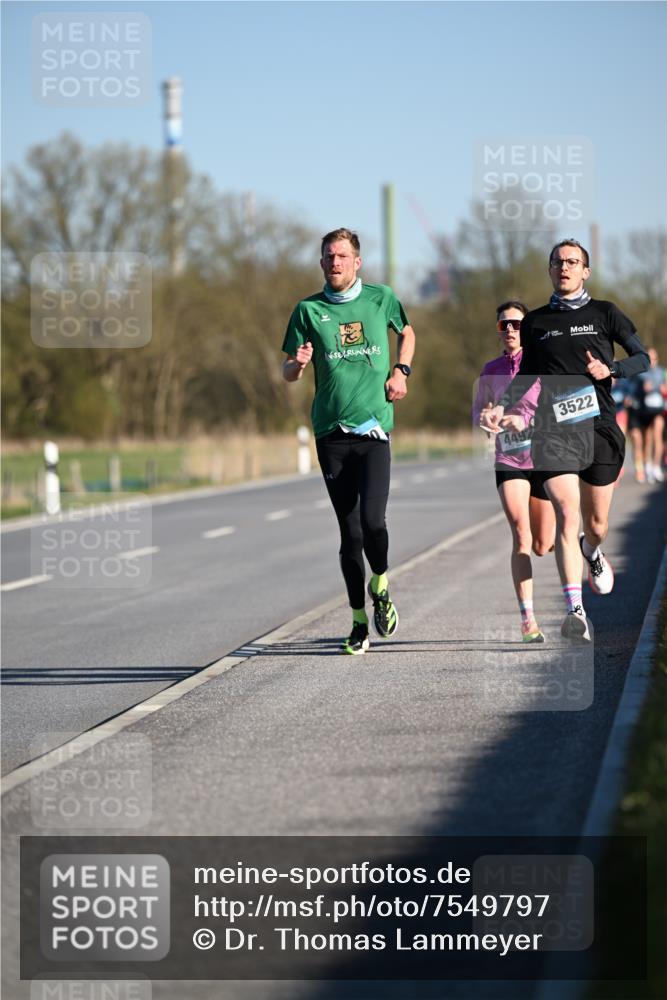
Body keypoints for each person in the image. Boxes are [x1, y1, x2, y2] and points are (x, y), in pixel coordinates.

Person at [481, 239, 649, 642]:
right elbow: (525, 379)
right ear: (550, 270)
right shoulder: (536, 323)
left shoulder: (605, 313)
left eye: (573, 262)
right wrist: (500, 408)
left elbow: (642, 358)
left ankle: (591, 550)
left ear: (585, 271)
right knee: (567, 512)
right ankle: (575, 609)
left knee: (596, 523)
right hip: (554, 433)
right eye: (558, 262)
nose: (565, 267)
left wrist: (611, 369)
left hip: (601, 427)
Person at [282, 228, 415, 654]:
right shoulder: (307, 310)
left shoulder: (381, 298)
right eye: (327, 256)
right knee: (349, 533)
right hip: (331, 434)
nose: (334, 262)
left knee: (375, 522)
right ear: (321, 263)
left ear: (357, 262)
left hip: (374, 430)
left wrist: (401, 371)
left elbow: (407, 333)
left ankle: (381, 582)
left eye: (341, 256)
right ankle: (358, 621)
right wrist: (298, 366)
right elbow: (287, 370)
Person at [474, 301, 556, 643]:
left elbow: (557, 411)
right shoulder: (490, 370)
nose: (509, 330)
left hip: (545, 458)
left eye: (516, 324)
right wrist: (485, 418)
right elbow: (479, 411)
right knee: (520, 534)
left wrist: (527, 420)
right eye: (503, 325)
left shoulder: (543, 364)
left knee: (542, 543)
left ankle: (571, 539)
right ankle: (528, 620)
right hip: (509, 459)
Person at [627, 347, 665, 483]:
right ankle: (644, 467)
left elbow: (664, 387)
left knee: (656, 437)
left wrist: (662, 389)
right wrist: (631, 396)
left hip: (658, 409)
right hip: (641, 410)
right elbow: (630, 387)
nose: (652, 361)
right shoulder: (639, 373)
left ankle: (655, 466)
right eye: (649, 358)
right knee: (642, 440)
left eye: (654, 358)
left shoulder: (662, 372)